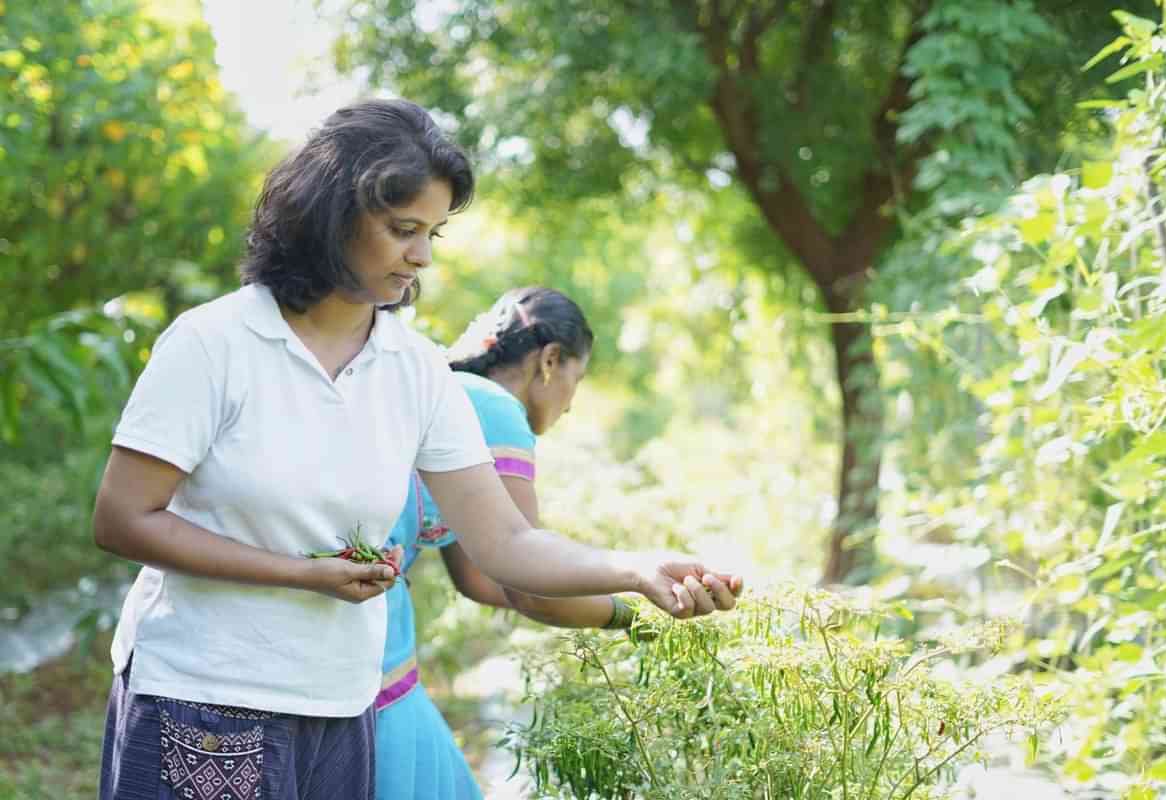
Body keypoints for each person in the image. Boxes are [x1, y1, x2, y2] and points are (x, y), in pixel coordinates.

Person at [92, 98, 741, 800]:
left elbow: (507, 544)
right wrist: (296, 574)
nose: (422, 255)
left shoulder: (417, 368)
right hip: (206, 699)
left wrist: (636, 570)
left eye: (433, 232)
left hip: (341, 709)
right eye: (404, 229)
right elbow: (123, 519)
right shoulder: (215, 344)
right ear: (331, 217)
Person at [377, 287, 713, 798]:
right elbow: (524, 586)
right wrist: (635, 614)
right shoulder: (494, 408)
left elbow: (481, 580)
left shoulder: (452, 392)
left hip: (372, 625)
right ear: (550, 361)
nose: (571, 405)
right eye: (577, 379)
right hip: (374, 646)